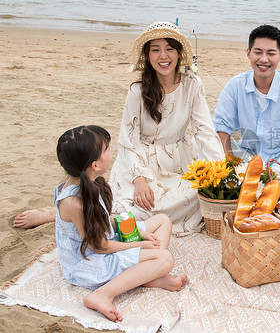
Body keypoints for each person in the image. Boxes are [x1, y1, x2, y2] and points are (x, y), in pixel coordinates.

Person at [12, 22, 225, 233]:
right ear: (147, 55)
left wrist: (223, 171)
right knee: (135, 206)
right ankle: (55, 213)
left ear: (179, 53)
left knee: (200, 195)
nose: (163, 56)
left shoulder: (193, 84)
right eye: (155, 50)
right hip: (141, 159)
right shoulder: (138, 90)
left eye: (170, 48)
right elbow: (128, 139)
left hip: (180, 160)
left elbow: (204, 131)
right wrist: (139, 178)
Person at [54, 125, 187, 322]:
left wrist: (138, 233)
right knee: (165, 258)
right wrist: (138, 244)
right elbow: (99, 246)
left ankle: (146, 275)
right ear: (95, 165)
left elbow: (104, 220)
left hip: (107, 238)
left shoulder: (90, 180)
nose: (110, 152)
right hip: (90, 262)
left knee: (163, 221)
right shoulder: (73, 203)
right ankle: (102, 294)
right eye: (106, 149)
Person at [212, 25, 280, 180]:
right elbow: (221, 125)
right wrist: (229, 161)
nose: (263, 59)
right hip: (248, 155)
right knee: (200, 144)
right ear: (248, 53)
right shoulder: (235, 85)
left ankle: (251, 181)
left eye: (271, 53)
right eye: (258, 52)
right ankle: (245, 178)